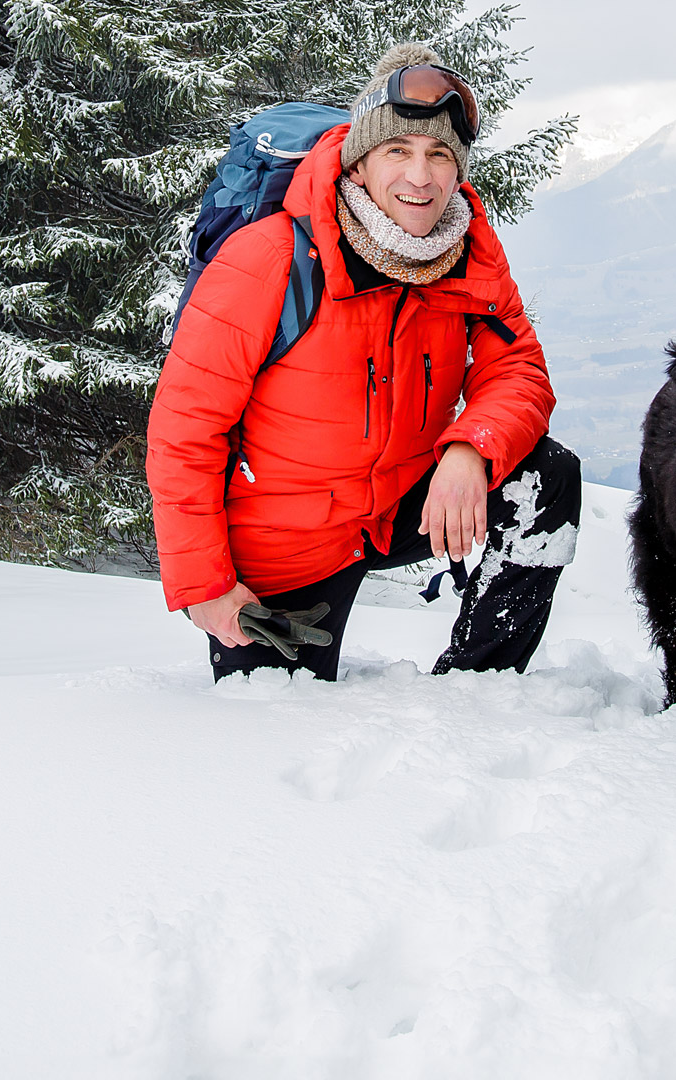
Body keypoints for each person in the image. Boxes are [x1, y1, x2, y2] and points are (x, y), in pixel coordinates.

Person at [147, 43, 581, 681]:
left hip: (395, 505)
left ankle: (476, 688)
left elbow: (517, 370)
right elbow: (184, 431)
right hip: (288, 546)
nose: (420, 176)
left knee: (544, 474)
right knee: (272, 722)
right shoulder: (267, 260)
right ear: (361, 160)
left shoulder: (465, 253)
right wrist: (204, 582)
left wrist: (471, 451)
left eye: (439, 155)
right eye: (398, 151)